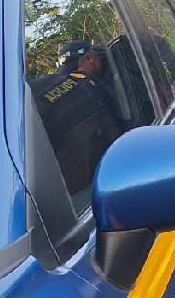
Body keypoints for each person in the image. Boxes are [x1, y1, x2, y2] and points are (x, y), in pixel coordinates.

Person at [29, 39, 121, 196]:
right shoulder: (90, 86)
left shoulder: (42, 93)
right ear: (89, 58)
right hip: (112, 177)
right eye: (96, 56)